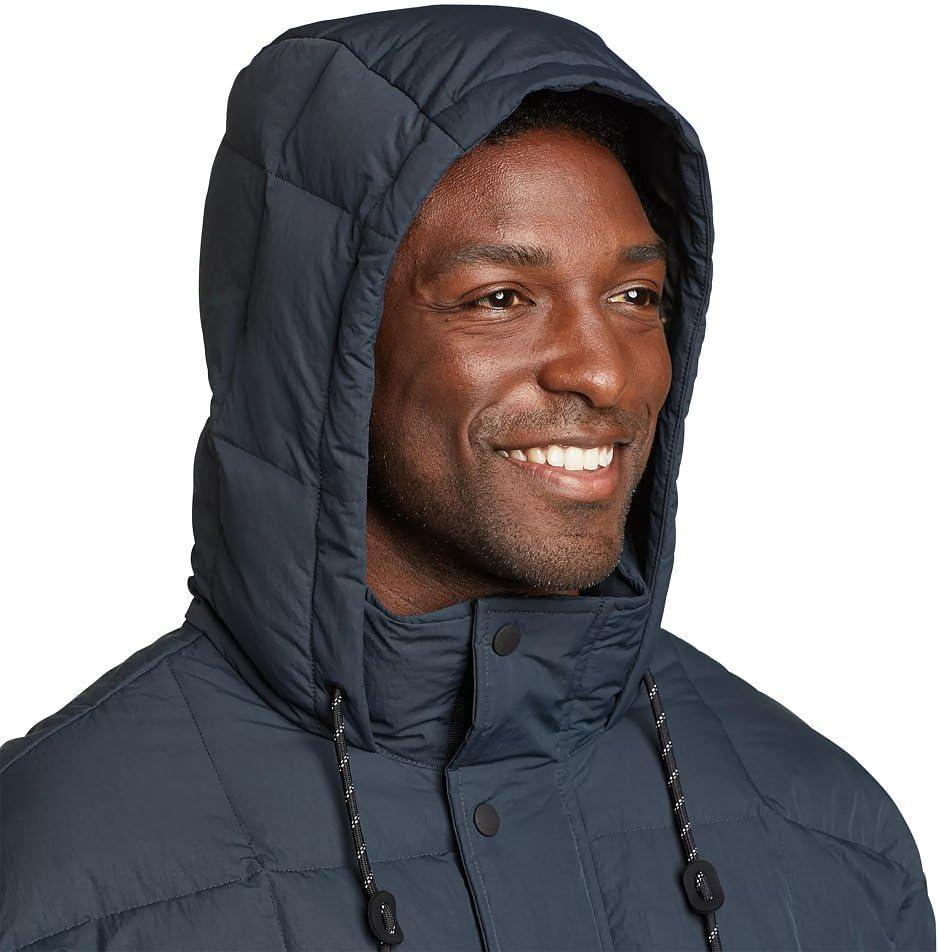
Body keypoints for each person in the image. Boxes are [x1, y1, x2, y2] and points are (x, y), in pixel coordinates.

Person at [1, 5, 933, 951]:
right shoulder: (54, 885)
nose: (604, 373)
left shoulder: (835, 842)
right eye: (500, 299)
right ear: (321, 348)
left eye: (633, 297)